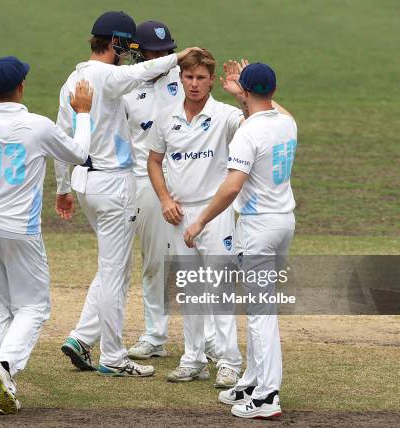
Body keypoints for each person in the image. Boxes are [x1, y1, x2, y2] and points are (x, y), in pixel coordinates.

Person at [0, 56, 93, 414]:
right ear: (21, 87)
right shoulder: (37, 127)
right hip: (21, 231)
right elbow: (80, 153)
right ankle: (6, 366)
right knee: (35, 307)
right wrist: (83, 112)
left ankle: (1, 396)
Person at [54, 10, 200, 377]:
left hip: (83, 182)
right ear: (117, 42)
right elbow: (137, 73)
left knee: (112, 269)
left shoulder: (72, 80)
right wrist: (179, 57)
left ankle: (82, 337)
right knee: (116, 272)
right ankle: (113, 356)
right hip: (115, 184)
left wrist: (61, 188)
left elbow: (61, 135)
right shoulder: (111, 75)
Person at [184, 62, 296, 419]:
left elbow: (232, 186)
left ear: (246, 93)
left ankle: (266, 397)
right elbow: (277, 109)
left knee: (261, 314)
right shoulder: (286, 123)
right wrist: (245, 94)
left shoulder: (247, 132)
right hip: (284, 223)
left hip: (257, 228)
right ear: (274, 91)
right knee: (262, 309)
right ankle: (251, 380)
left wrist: (200, 220)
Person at [147, 50, 247, 386]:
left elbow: (256, 122)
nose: (193, 84)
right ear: (180, 78)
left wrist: (243, 95)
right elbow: (154, 161)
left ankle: (229, 361)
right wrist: (164, 199)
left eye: (200, 78)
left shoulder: (225, 115)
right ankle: (193, 359)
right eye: (188, 77)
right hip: (178, 213)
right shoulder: (166, 117)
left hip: (214, 212)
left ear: (210, 79)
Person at [121, 20, 183, 360]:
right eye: (153, 51)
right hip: (145, 180)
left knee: (199, 259)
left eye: (165, 51)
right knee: (155, 261)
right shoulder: (126, 88)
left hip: (189, 176)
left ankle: (210, 342)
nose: (160, 56)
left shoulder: (186, 79)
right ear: (139, 53)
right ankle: (155, 336)